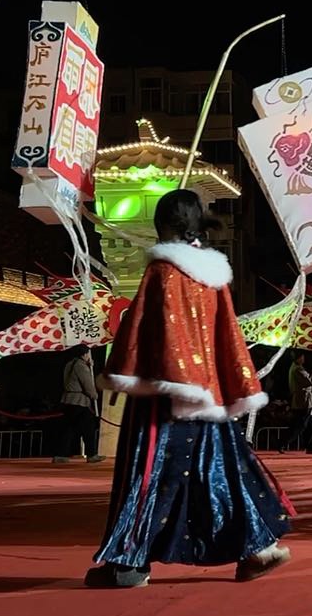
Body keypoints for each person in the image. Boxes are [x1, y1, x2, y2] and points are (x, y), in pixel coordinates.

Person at [88, 189, 292, 588]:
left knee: (147, 474)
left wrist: (125, 371)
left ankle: (130, 563)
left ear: (163, 224)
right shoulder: (214, 278)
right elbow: (228, 336)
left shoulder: (162, 271)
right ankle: (258, 549)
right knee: (224, 472)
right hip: (209, 395)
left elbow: (143, 328)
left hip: (166, 397)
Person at [55, 345, 105, 464]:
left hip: (68, 399)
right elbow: (87, 384)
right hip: (79, 401)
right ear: (84, 354)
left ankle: (61, 455)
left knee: (68, 429)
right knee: (88, 429)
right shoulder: (81, 366)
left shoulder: (70, 364)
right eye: (88, 353)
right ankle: (91, 454)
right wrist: (94, 395)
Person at [281, 353, 312, 455]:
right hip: (303, 401)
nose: (303, 358)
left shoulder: (295, 368)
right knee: (300, 425)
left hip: (305, 401)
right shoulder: (298, 369)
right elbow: (310, 382)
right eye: (302, 356)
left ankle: (311, 446)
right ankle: (282, 442)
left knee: (310, 425)